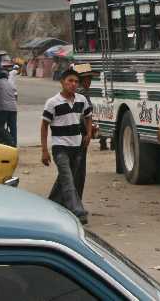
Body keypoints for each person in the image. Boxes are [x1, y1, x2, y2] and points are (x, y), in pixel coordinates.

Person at [41, 69, 93, 224]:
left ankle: (51, 206)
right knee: (68, 179)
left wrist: (89, 133)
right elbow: (44, 126)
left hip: (76, 148)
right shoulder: (53, 103)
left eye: (76, 82)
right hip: (60, 148)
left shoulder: (81, 99)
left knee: (65, 179)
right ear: (62, 82)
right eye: (70, 81)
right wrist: (44, 150)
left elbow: (88, 116)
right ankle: (77, 211)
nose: (73, 84)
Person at [73, 64, 100, 198]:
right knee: (79, 170)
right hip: (80, 133)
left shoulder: (75, 92)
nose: (89, 82)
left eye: (90, 79)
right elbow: (84, 115)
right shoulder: (82, 93)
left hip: (75, 133)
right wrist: (90, 130)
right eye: (87, 79)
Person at [0, 71, 18, 146]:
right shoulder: (11, 83)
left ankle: (10, 140)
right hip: (13, 108)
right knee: (13, 127)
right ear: (7, 77)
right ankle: (14, 144)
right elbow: (16, 96)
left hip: (3, 108)